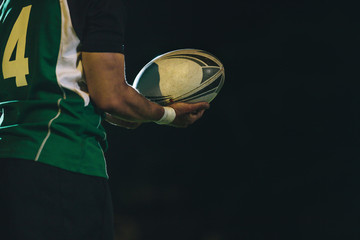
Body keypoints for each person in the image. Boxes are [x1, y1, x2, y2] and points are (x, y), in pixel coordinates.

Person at [0, 0, 209, 239]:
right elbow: (111, 96)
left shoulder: (10, 4)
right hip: (61, 158)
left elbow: (64, 81)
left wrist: (133, 110)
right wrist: (168, 114)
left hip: (10, 158)